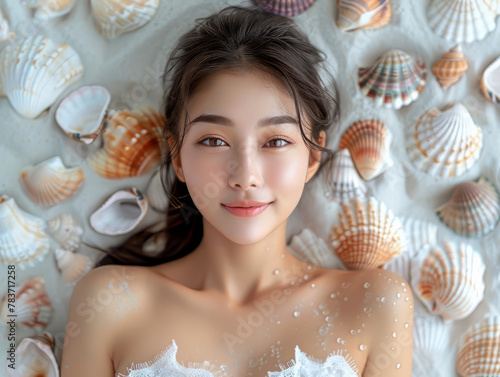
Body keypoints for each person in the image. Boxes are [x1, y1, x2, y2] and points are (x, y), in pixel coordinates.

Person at [60, 4, 413, 376]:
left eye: (275, 141)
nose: (245, 176)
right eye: (213, 140)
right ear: (177, 155)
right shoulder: (109, 304)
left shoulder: (375, 304)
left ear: (312, 157)